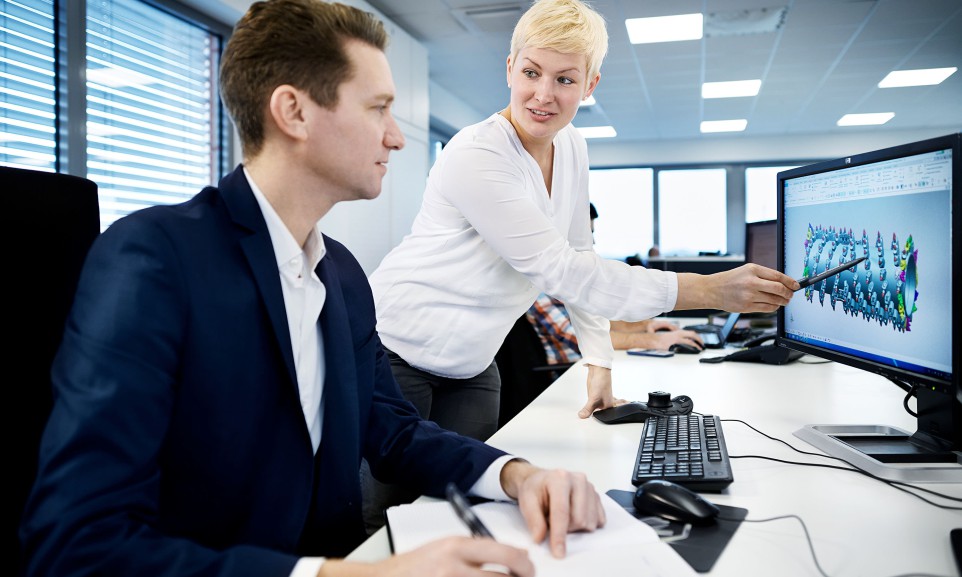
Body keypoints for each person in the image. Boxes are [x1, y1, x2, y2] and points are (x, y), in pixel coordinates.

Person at [17, 2, 608, 576]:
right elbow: (76, 546)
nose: (397, 138)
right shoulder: (155, 259)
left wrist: (519, 475)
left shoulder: (343, 276)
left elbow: (395, 430)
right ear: (294, 113)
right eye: (378, 108)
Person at [365, 0, 797, 524]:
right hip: (396, 351)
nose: (543, 95)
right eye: (530, 72)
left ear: (590, 84)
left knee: (463, 515)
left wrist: (599, 362)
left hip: (474, 364)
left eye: (565, 79)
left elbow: (580, 256)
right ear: (509, 68)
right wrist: (708, 291)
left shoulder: (571, 146)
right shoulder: (476, 154)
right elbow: (560, 271)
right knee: (383, 517)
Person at [526, 293, 705, 365]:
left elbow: (599, 321)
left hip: (595, 363)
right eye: (589, 233)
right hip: (571, 374)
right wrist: (657, 341)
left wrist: (645, 326)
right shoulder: (538, 296)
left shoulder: (562, 288)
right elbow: (584, 339)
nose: (592, 241)